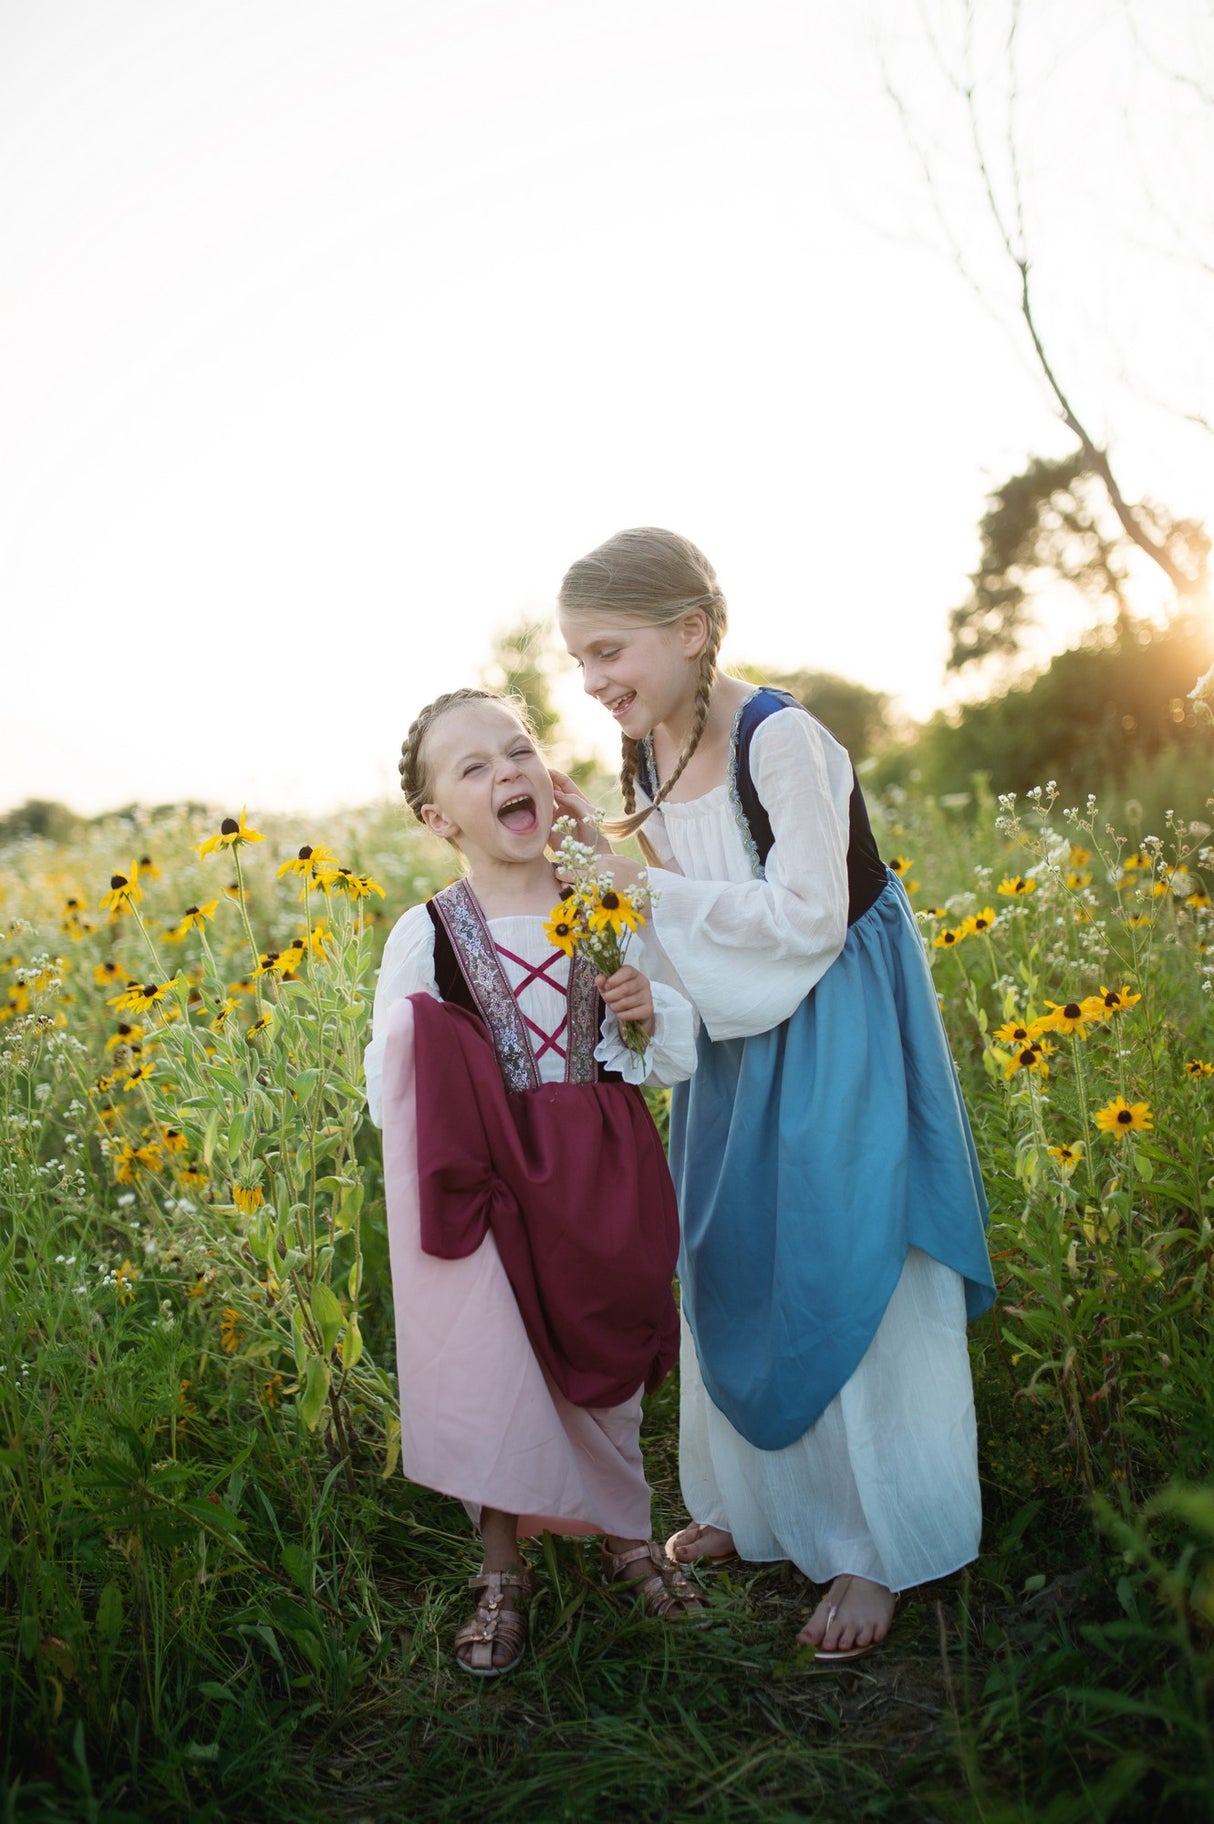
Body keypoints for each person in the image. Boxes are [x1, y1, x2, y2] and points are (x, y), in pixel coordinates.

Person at [557, 527, 996, 1660]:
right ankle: (753, 1510)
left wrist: (639, 877)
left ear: (690, 631)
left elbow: (805, 915)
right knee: (732, 1256)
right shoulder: (647, 749)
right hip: (730, 1034)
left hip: (829, 1022)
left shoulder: (780, 741)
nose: (595, 682)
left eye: (609, 652)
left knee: (840, 1260)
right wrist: (601, 855)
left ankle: (871, 1546)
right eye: (578, 664)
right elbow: (666, 902)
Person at [363, 686, 704, 1678]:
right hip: (493, 1182)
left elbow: (667, 1049)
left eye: (516, 749)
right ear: (438, 819)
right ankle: (501, 1568)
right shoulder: (426, 932)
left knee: (609, 1344)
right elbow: (394, 1084)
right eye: (472, 768)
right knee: (498, 1369)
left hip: (600, 1168)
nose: (505, 771)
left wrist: (638, 1013)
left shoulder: (597, 905)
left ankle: (626, 1535)